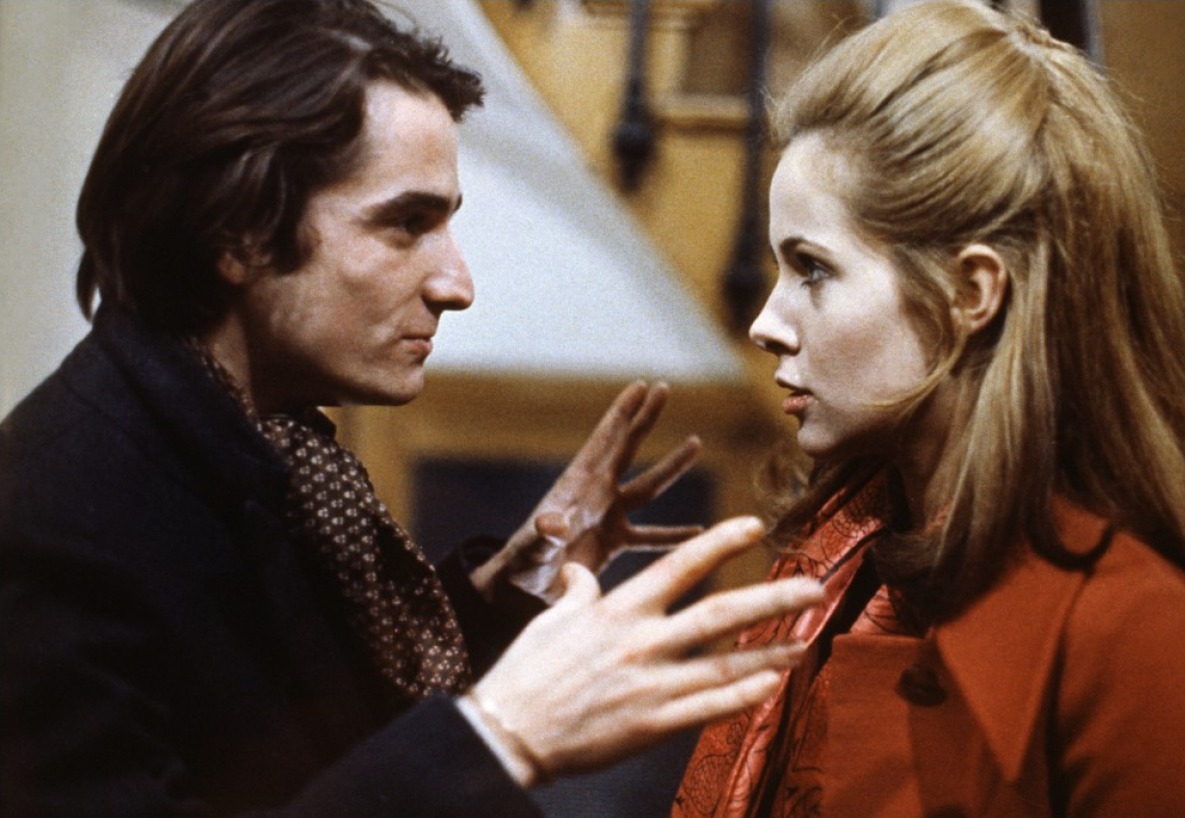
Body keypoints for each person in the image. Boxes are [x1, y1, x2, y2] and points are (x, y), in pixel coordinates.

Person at [0, 1, 828, 816]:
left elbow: (318, 732)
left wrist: (512, 590)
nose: (456, 284)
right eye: (406, 223)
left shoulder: (266, 442)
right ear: (237, 232)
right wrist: (501, 738)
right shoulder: (45, 521)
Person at [671, 2, 1185, 817]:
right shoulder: (840, 565)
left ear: (968, 292)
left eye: (813, 269)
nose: (766, 324)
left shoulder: (1137, 636)